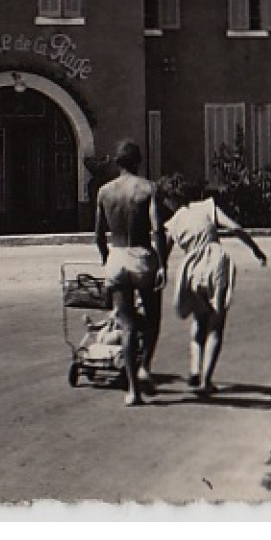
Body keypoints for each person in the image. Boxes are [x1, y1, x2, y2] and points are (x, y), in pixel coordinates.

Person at [165, 191, 267, 397]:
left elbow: (163, 254)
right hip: (214, 263)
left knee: (198, 317)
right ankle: (206, 381)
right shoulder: (207, 207)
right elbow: (235, 228)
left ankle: (195, 368)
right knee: (215, 324)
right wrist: (256, 250)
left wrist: (159, 272)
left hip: (191, 267)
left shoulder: (173, 222)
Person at [93, 139, 165, 407]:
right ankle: (145, 365)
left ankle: (133, 391)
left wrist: (106, 261)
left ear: (117, 163)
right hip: (141, 255)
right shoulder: (147, 188)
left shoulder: (104, 192)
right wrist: (163, 265)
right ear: (138, 161)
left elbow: (98, 236)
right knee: (153, 317)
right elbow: (157, 230)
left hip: (117, 256)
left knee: (127, 325)